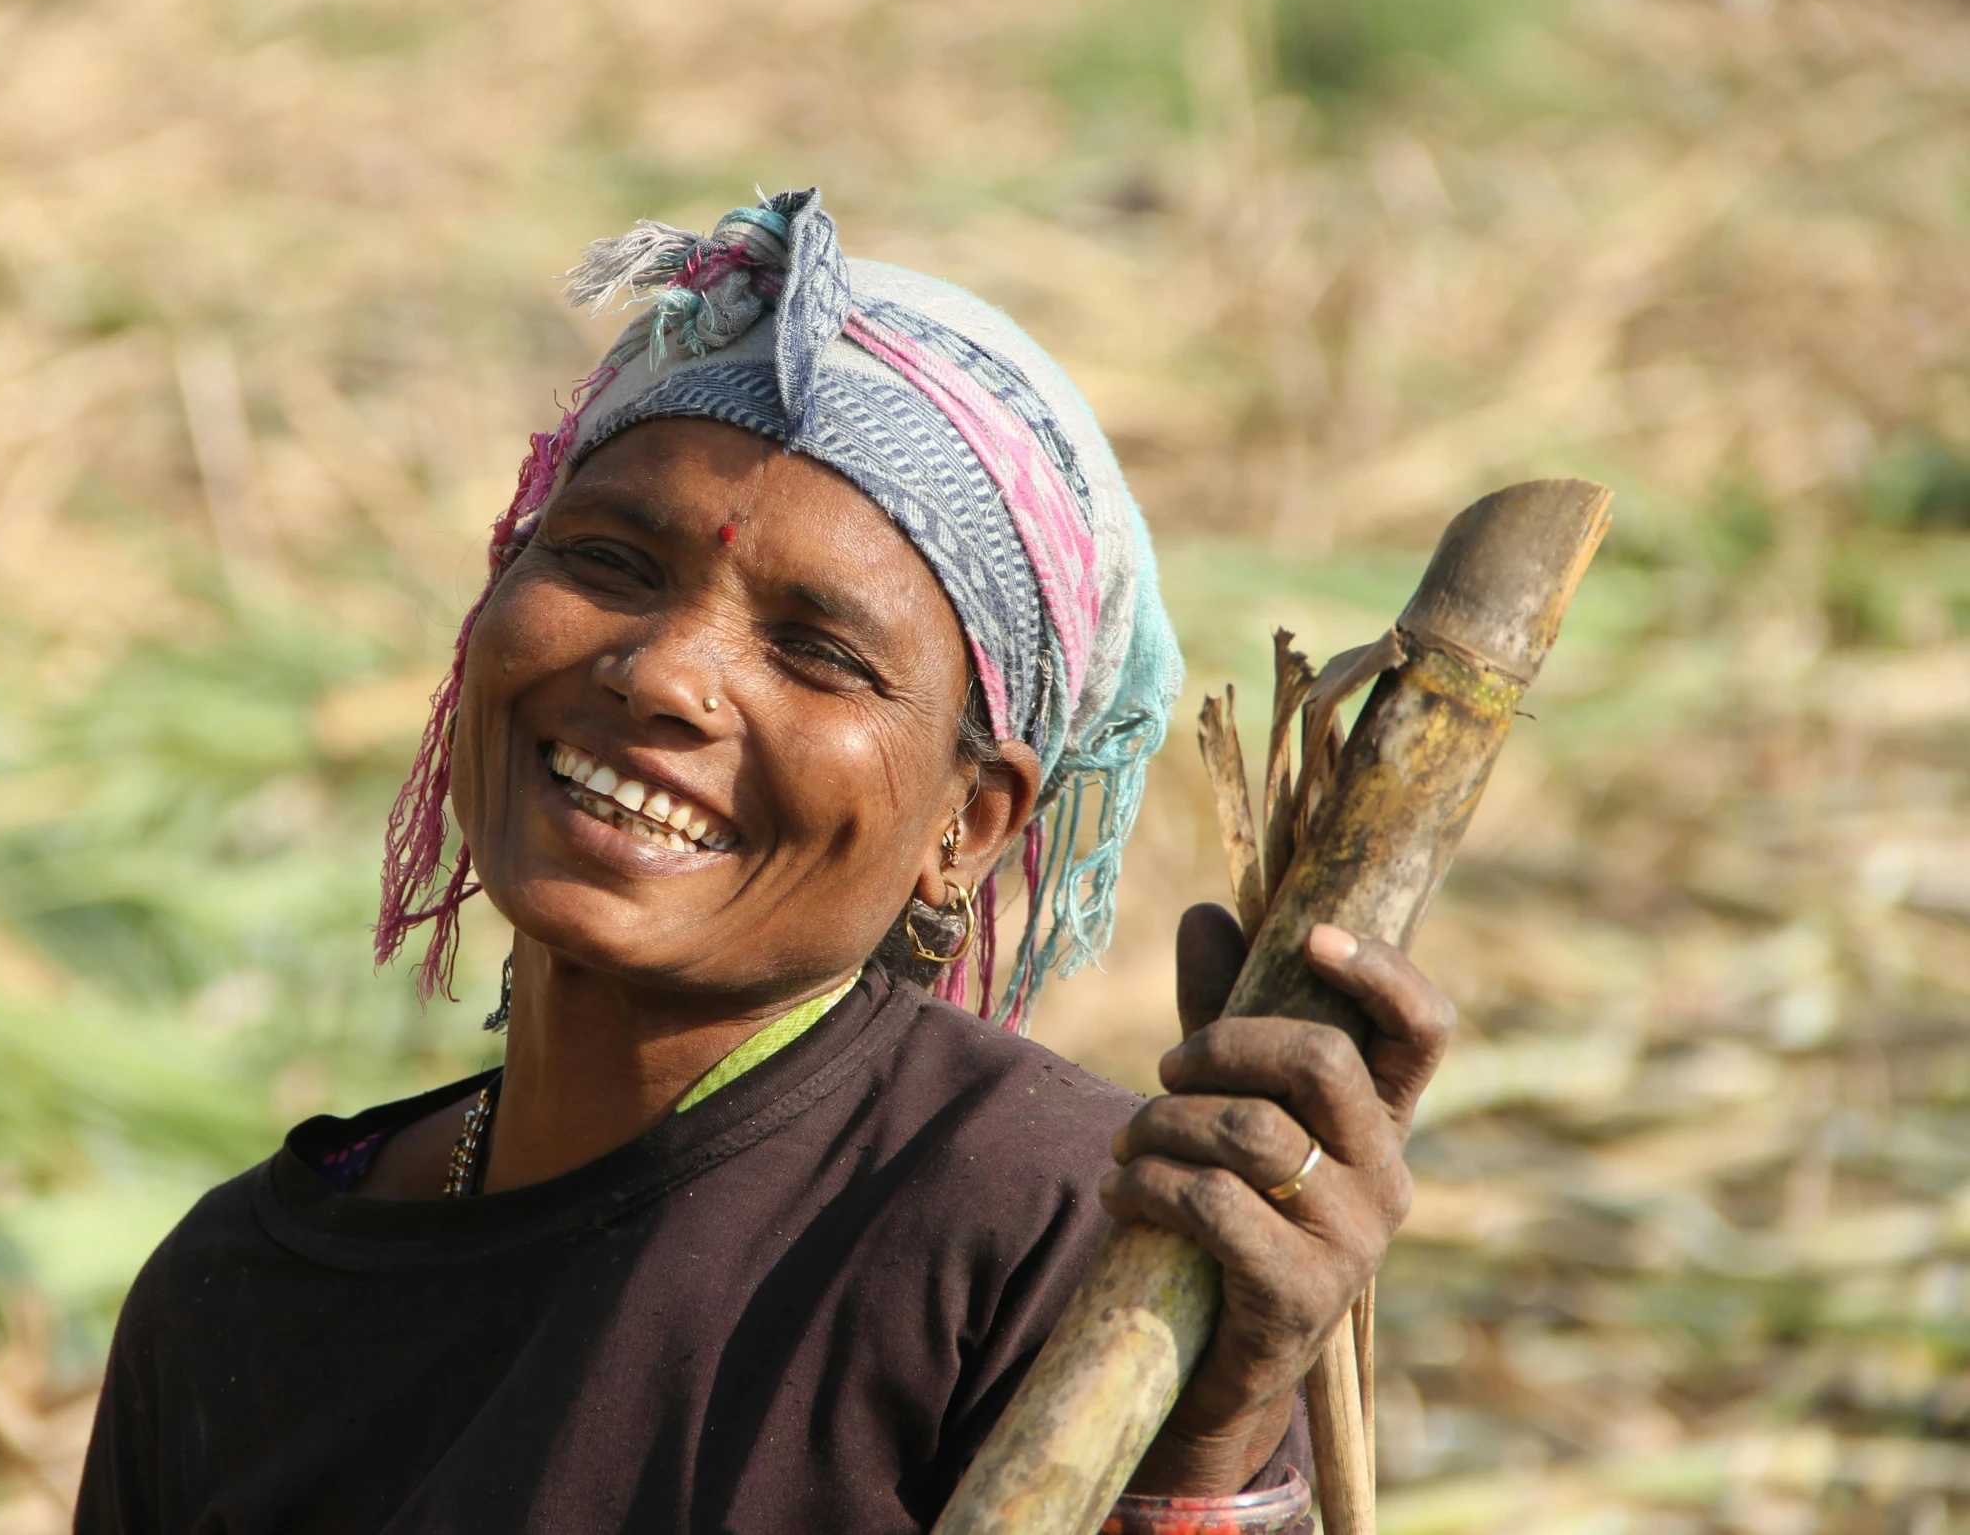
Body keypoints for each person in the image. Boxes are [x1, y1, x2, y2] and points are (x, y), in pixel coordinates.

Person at [73, 189, 1453, 1535]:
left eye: (817, 651)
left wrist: (1206, 1443)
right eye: (609, 560)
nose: (666, 674)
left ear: (964, 825)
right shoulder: (242, 1290)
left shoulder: (1068, 1229)